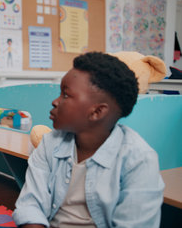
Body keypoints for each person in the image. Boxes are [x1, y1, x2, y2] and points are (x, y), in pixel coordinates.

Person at [13, 52, 165, 228]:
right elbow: (30, 205)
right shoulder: (49, 143)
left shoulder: (139, 160)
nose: (55, 101)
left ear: (97, 112)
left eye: (66, 95)